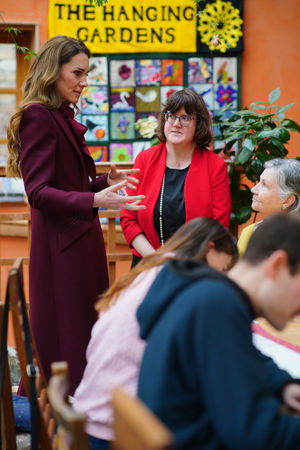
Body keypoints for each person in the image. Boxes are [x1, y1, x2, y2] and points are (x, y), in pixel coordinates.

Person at [6, 35, 145, 394]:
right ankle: (58, 420)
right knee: (66, 338)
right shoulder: (39, 116)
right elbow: (38, 192)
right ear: (54, 72)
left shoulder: (58, 116)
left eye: (86, 73)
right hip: (61, 253)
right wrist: (96, 200)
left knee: (83, 332)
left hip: (78, 245)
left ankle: (77, 416)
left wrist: (102, 181)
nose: (84, 81)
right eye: (78, 73)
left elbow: (67, 182)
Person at [137, 213, 300, 449]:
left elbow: (241, 355)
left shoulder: (205, 293)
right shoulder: (218, 306)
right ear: (278, 265)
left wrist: (285, 385)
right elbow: (255, 434)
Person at [72, 217, 238, 449]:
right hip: (117, 426)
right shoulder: (180, 280)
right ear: (209, 248)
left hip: (92, 407)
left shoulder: (154, 268)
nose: (220, 277)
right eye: (222, 268)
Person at [121, 88, 231, 267]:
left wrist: (184, 263)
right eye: (171, 116)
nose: (176, 123)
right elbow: (128, 218)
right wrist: (156, 260)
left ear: (199, 124)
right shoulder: (144, 159)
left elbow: (217, 227)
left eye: (186, 118)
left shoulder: (215, 166)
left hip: (195, 266)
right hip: (147, 263)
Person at [238, 157, 300, 255]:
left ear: (287, 200)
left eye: (264, 185)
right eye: (259, 182)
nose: (253, 189)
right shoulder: (249, 233)